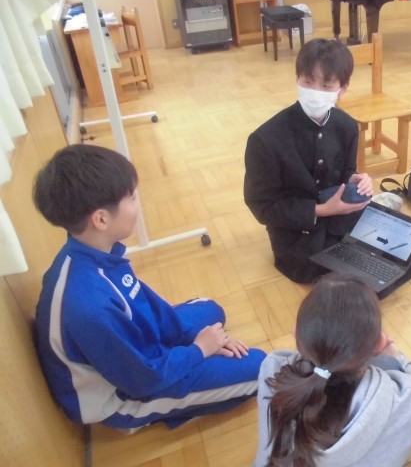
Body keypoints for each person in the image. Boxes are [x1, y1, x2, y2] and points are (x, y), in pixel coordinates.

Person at [33, 144, 266, 430]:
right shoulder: (89, 306)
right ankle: (170, 407)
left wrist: (195, 338)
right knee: (261, 367)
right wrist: (199, 350)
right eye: (132, 197)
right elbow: (143, 379)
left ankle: (190, 360)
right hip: (122, 397)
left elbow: (149, 307)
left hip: (138, 352)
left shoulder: (95, 250)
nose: (138, 203)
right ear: (101, 219)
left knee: (210, 309)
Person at [254, 273, 411, 467]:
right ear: (379, 343)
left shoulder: (273, 370)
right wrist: (397, 356)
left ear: (296, 334)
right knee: (390, 365)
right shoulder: (410, 397)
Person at [243, 38, 375, 284]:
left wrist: (356, 179)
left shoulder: (347, 126)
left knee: (403, 250)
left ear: (342, 89)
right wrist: (321, 210)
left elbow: (345, 173)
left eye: (326, 85)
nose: (315, 92)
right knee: (346, 278)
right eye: (308, 82)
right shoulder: (265, 139)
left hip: (339, 219)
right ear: (297, 79)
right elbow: (262, 206)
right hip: (298, 235)